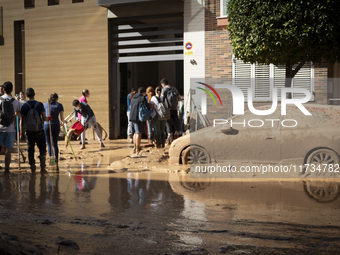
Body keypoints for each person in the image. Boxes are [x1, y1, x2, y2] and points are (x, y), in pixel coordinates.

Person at [21, 88, 51, 173]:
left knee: (30, 149)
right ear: (34, 94)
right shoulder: (40, 104)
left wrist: (21, 133)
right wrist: (49, 118)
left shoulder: (24, 106)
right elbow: (45, 118)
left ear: (26, 96)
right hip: (39, 131)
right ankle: (42, 167)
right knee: (42, 149)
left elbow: (22, 121)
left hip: (29, 131)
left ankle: (32, 167)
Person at [0, 81, 21, 174]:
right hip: (11, 129)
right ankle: (7, 168)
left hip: (0, 128)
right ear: (12, 89)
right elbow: (17, 114)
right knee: (8, 149)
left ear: (3, 89)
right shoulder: (16, 102)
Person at [44, 93, 65, 170]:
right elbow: (62, 117)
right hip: (56, 125)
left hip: (47, 125)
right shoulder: (59, 105)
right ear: (57, 98)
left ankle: (51, 159)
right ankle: (56, 160)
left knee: (49, 144)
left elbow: (43, 116)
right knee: (55, 143)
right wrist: (62, 122)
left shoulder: (45, 104)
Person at [160, 78, 182, 145]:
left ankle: (170, 138)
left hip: (167, 109)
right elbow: (179, 98)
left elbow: (162, 100)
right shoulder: (174, 89)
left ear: (163, 84)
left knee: (168, 123)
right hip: (174, 109)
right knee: (176, 121)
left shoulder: (164, 90)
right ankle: (180, 136)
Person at [129, 87, 148, 154]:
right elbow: (147, 107)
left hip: (131, 118)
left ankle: (134, 148)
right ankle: (137, 148)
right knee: (138, 133)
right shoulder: (142, 98)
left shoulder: (133, 97)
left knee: (134, 133)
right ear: (143, 92)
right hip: (138, 118)